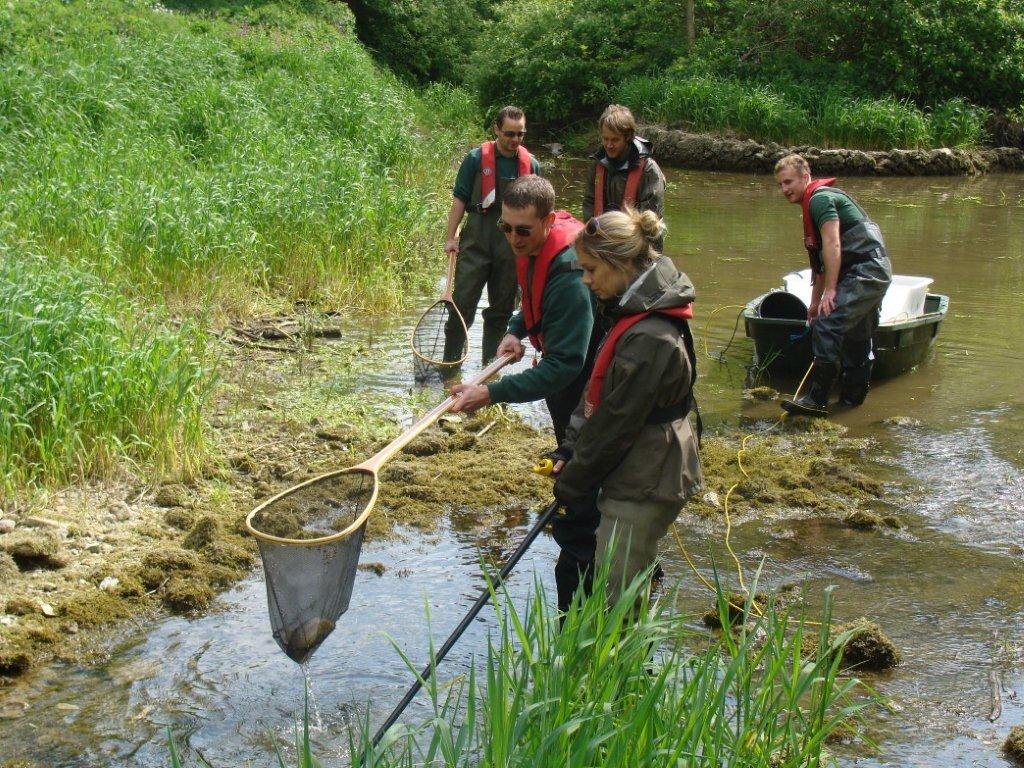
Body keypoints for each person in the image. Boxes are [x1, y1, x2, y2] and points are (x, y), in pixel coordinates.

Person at [449, 175, 602, 612]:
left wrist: (491, 393)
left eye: (523, 230)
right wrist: (518, 330)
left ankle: (596, 590)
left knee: (586, 496)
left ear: (550, 221)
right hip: (570, 378)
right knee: (574, 474)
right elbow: (532, 297)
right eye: (506, 228)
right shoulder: (535, 249)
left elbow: (565, 366)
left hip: (589, 388)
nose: (513, 238)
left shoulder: (572, 275)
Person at [550, 208, 702, 604]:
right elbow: (598, 395)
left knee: (617, 596)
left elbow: (616, 423)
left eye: (591, 269)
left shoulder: (650, 336)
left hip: (650, 475)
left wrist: (573, 483)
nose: (585, 280)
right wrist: (570, 448)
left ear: (619, 264)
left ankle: (622, 664)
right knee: (620, 577)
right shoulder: (631, 307)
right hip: (638, 465)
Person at [774, 154, 893, 417]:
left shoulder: (819, 199)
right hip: (869, 271)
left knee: (828, 322)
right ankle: (852, 403)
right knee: (856, 333)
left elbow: (832, 245)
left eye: (789, 182)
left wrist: (830, 292)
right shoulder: (814, 203)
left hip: (866, 270)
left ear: (806, 177)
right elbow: (820, 264)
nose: (785, 189)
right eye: (781, 184)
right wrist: (815, 303)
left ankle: (817, 399)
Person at [444, 106, 541, 365]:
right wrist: (451, 237)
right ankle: (450, 367)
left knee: (501, 312)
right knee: (461, 306)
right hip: (477, 239)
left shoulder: (531, 165)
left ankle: (489, 372)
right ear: (497, 129)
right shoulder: (475, 160)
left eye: (520, 134)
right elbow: (459, 200)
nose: (515, 140)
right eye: (509, 133)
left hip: (512, 247)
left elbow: (541, 214)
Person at [582, 104, 667, 252]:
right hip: (605, 244)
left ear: (627, 138)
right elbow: (589, 203)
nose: (608, 145)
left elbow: (650, 217)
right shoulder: (597, 166)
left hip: (641, 247)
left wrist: (619, 237)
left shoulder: (649, 169)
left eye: (614, 140)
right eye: (605, 139)